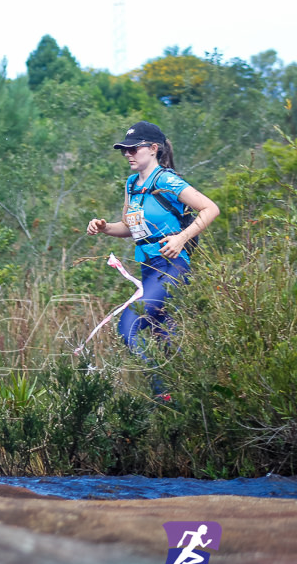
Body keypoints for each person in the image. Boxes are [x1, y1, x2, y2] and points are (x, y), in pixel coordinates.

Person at [86, 121, 219, 397]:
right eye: (125, 149)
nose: (128, 154)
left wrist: (181, 237)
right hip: (149, 269)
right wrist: (105, 227)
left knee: (128, 325)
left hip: (173, 266)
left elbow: (210, 208)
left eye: (134, 148)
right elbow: (129, 228)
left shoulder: (167, 180)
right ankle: (181, 400)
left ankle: (161, 391)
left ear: (153, 149)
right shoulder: (132, 184)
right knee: (165, 337)